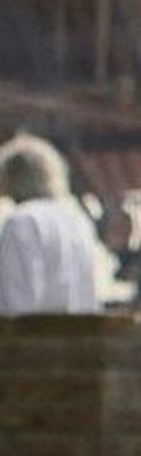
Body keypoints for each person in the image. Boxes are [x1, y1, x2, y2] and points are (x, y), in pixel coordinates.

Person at [0, 132, 99, 317]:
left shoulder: (22, 221)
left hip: (36, 338)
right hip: (81, 336)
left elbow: (16, 300)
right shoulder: (77, 220)